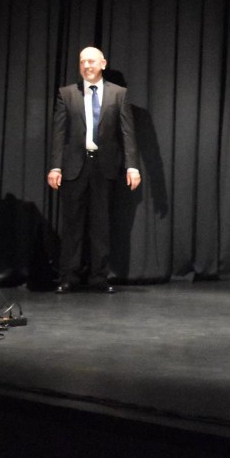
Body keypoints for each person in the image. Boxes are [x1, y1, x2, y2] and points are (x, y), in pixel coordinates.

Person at [48, 46, 141, 293]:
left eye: (91, 61)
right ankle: (69, 277)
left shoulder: (119, 94)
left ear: (103, 64)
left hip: (105, 166)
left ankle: (99, 277)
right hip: (74, 166)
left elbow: (127, 132)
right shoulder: (67, 93)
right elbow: (59, 133)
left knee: (101, 224)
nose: (86, 66)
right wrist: (55, 166)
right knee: (72, 225)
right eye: (82, 62)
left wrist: (132, 166)